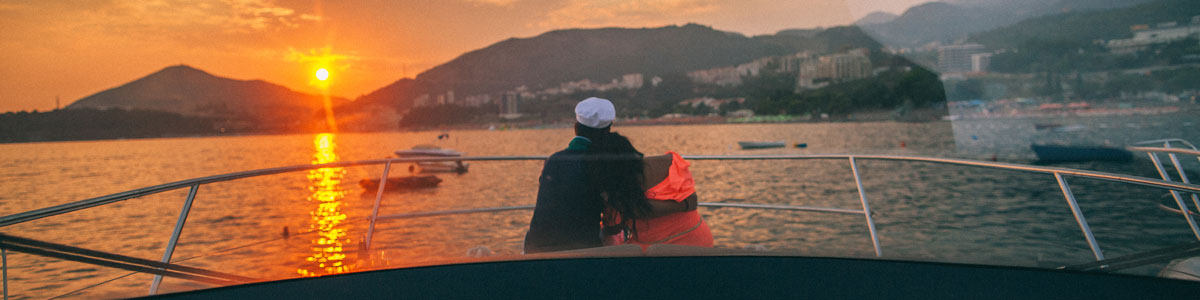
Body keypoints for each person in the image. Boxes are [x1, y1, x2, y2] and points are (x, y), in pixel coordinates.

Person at [524, 97, 695, 253]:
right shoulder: (602, 165)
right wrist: (683, 205)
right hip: (580, 251)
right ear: (608, 129)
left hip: (534, 248)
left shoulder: (552, 160)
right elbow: (629, 208)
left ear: (576, 128)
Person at [586, 132, 712, 248]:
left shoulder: (616, 191)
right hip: (697, 241)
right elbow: (691, 201)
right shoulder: (670, 163)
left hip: (654, 251)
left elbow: (613, 229)